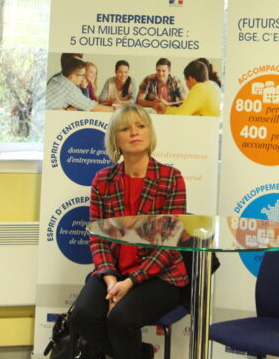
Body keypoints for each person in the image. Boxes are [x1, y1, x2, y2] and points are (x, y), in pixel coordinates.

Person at [69, 105, 188, 359]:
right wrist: (111, 279)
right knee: (81, 316)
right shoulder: (103, 180)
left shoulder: (171, 178)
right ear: (116, 140)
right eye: (125, 128)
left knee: (121, 319)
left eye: (140, 126)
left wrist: (130, 282)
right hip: (114, 272)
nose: (134, 132)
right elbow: (97, 238)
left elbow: (169, 244)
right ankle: (139, 354)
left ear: (149, 133)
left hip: (160, 277)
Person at [45, 55, 111, 112]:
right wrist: (114, 109)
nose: (83, 77)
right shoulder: (70, 88)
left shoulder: (57, 79)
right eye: (82, 75)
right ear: (73, 76)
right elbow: (90, 106)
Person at [155, 60, 220, 116]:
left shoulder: (199, 88)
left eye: (186, 80)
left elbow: (181, 114)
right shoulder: (212, 85)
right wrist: (168, 106)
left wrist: (165, 110)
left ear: (190, 79)